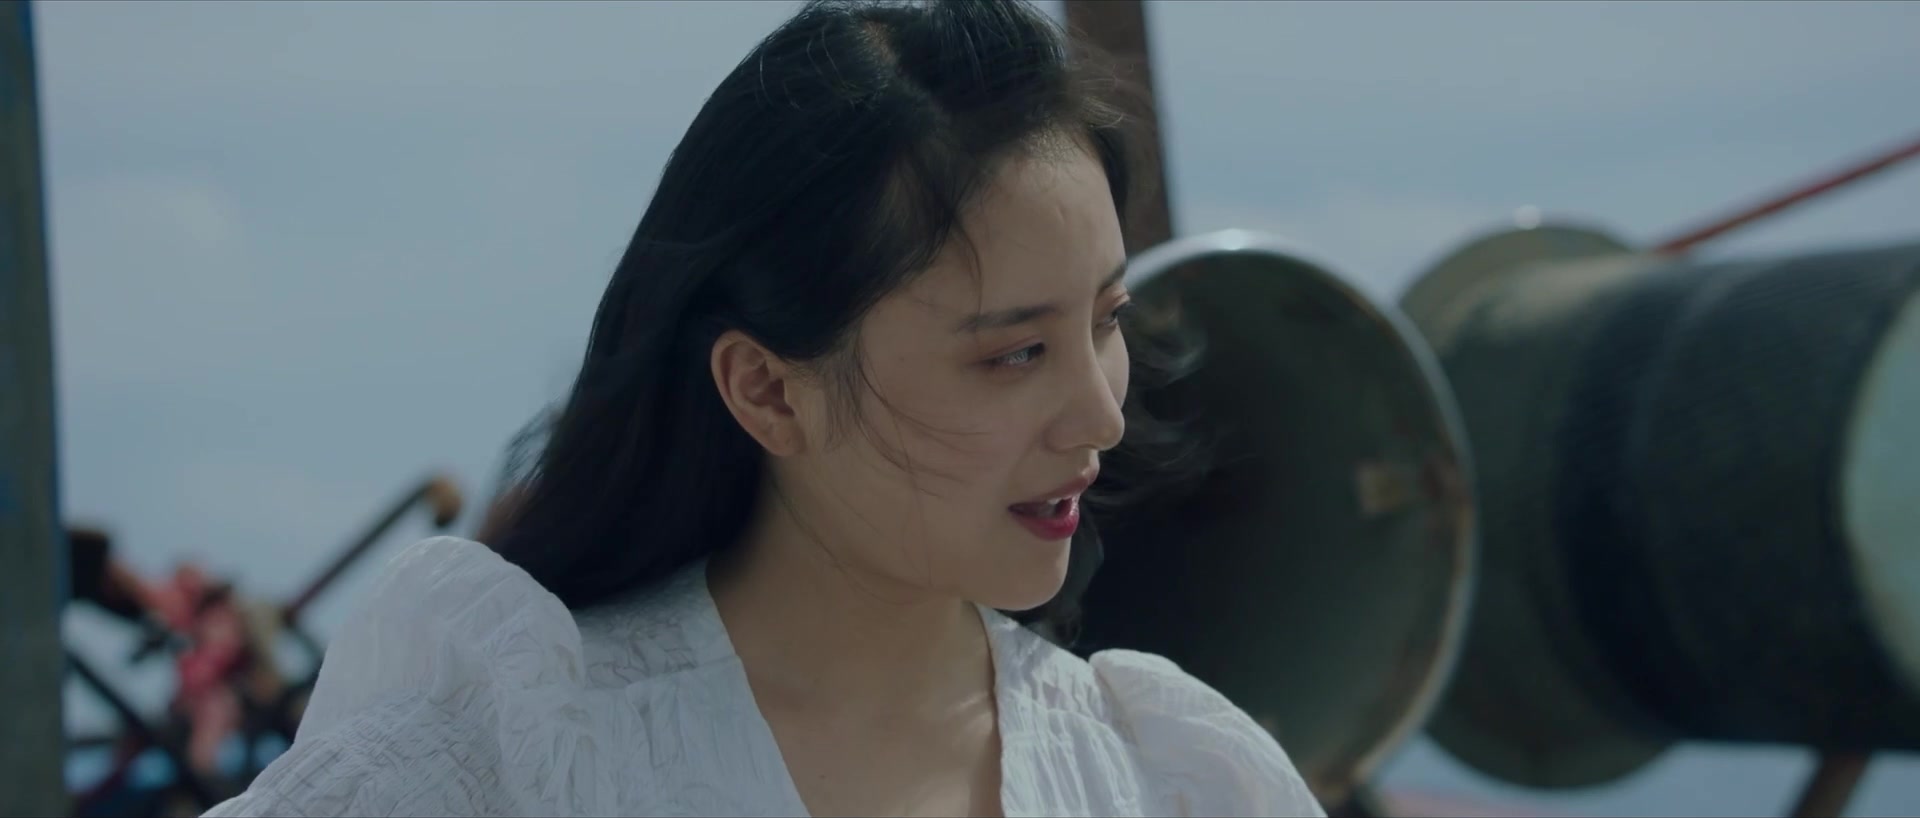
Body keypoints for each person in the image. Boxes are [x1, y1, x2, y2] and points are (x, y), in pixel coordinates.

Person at [205, 1, 1324, 816]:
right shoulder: (517, 762)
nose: (1099, 417)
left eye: (1108, 320)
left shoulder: (1169, 778)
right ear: (767, 388)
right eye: (1015, 352)